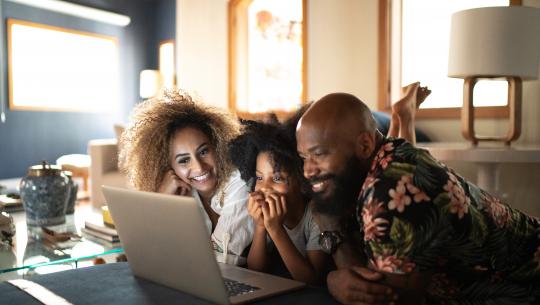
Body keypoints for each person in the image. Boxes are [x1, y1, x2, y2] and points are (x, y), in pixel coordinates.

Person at [295, 89, 540, 304]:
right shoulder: (394, 152)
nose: (308, 170)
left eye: (319, 154)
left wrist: (333, 248)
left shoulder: (394, 194)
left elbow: (382, 299)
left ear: (365, 145)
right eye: (304, 157)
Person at [118, 89, 253, 265]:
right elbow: (144, 251)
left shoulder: (239, 181)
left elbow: (223, 262)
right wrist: (161, 198)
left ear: (217, 146)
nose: (198, 166)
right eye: (184, 160)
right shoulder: (182, 191)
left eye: (204, 151)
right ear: (168, 167)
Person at [228, 120, 330, 285]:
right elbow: (256, 271)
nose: (265, 187)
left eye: (277, 178)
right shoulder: (268, 213)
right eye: (260, 177)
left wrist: (275, 229)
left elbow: (310, 279)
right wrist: (261, 226)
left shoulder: (317, 214)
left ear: (301, 181)